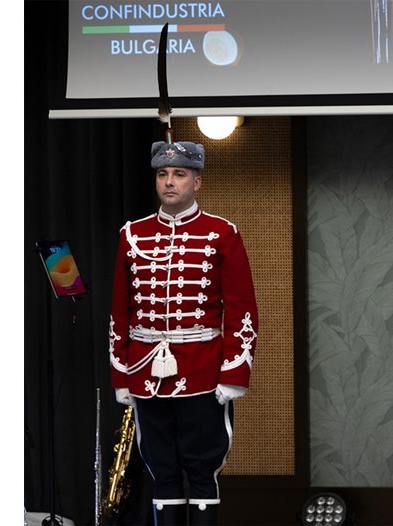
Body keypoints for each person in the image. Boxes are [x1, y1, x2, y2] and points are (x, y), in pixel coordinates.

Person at [108, 141, 258, 526]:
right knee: (161, 470)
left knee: (202, 470)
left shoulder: (221, 233)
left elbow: (241, 309)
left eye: (179, 174)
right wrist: (121, 374)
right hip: (145, 373)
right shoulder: (132, 235)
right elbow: (120, 312)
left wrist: (234, 373)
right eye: (162, 174)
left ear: (197, 182)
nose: (169, 182)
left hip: (202, 372)